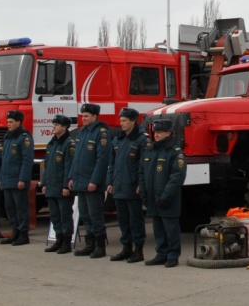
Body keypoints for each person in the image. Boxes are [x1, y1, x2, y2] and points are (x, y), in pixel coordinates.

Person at [139, 118, 187, 268]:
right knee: (158, 228)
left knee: (170, 228)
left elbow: (177, 177)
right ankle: (161, 254)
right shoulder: (150, 150)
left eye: (159, 132)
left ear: (168, 133)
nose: (156, 135)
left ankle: (172, 255)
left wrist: (166, 196)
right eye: (155, 132)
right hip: (152, 197)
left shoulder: (175, 152)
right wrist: (144, 194)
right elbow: (141, 172)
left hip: (167, 198)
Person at [68, 103, 111, 258]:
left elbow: (102, 159)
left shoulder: (101, 133)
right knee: (85, 215)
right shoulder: (82, 132)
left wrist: (95, 181)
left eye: (86, 116)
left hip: (92, 183)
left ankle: (100, 247)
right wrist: (72, 176)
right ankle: (90, 244)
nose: (83, 118)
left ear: (94, 116)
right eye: (82, 115)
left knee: (95, 215)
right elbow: (76, 158)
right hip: (80, 182)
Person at [107, 107, 150, 263]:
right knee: (123, 220)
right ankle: (126, 249)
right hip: (119, 186)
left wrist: (140, 184)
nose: (121, 123)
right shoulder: (118, 140)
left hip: (132, 187)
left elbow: (143, 165)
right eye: (121, 120)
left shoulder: (141, 140)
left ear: (133, 121)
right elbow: (112, 163)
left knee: (135, 220)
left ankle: (138, 250)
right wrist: (110, 182)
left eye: (125, 120)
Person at [39, 114, 75, 254]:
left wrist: (66, 186)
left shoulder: (69, 144)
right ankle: (58, 240)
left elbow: (68, 166)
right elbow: (47, 165)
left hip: (62, 187)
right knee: (54, 215)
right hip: (52, 186)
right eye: (53, 124)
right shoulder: (52, 143)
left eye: (57, 125)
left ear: (64, 127)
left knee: (65, 215)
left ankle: (66, 242)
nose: (53, 127)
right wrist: (44, 183)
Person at [0, 110, 34, 246]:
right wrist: (1, 178)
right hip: (7, 179)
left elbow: (27, 160)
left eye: (11, 122)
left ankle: (23, 234)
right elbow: (4, 160)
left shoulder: (24, 138)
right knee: (10, 208)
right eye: (8, 122)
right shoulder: (8, 137)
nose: (9, 125)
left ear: (19, 122)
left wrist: (23, 179)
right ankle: (15, 232)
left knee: (20, 208)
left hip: (17, 180)